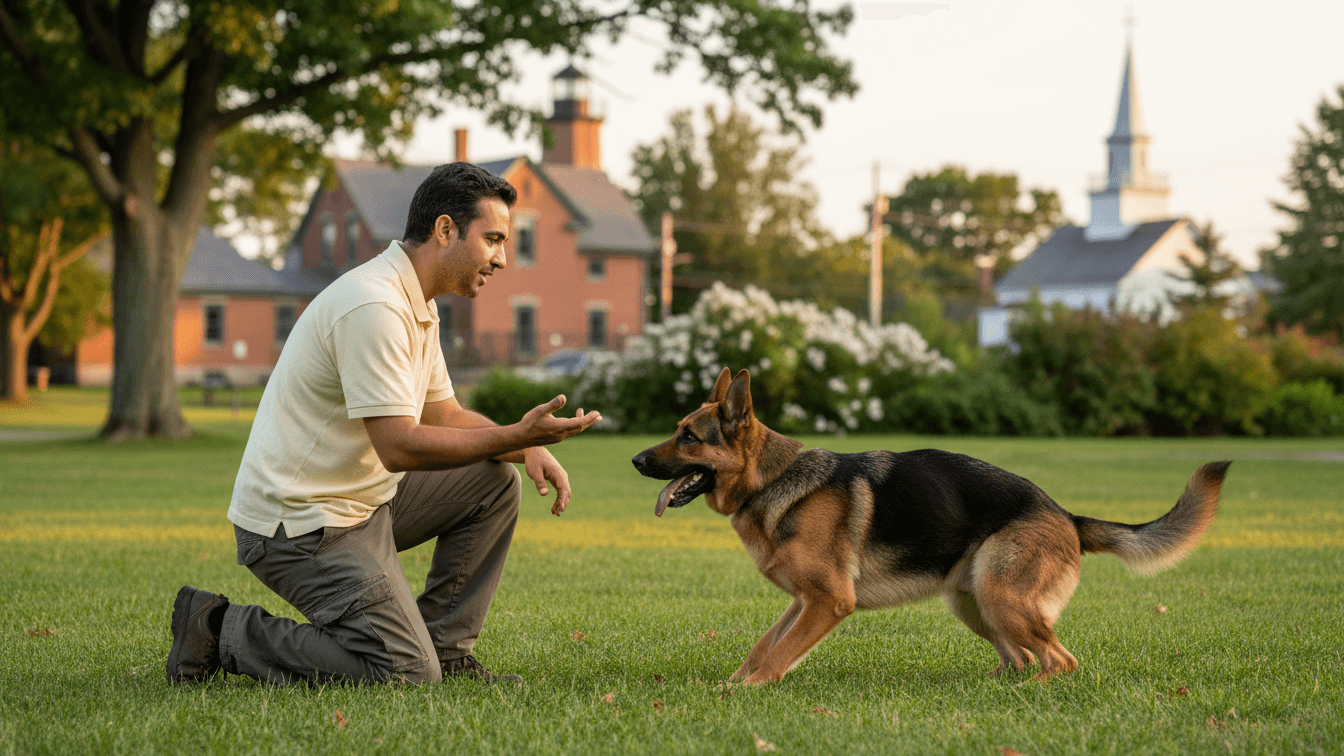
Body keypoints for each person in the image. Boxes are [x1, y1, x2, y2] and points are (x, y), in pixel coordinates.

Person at [166, 162, 601, 686]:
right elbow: (398, 446)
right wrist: (516, 435)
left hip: (360, 502)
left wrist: (523, 449)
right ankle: (217, 629)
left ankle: (447, 648)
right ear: (445, 230)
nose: (503, 258)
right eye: (492, 240)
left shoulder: (416, 299)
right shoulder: (374, 304)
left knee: (492, 482)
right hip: (299, 525)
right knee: (406, 673)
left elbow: (444, 415)